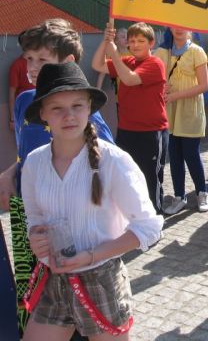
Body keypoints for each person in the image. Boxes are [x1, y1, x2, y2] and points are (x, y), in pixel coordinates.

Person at [20, 62, 163, 340]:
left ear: (89, 108)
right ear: (43, 113)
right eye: (57, 108)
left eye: (77, 105)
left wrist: (91, 256)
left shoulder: (114, 161)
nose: (69, 116)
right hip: (54, 280)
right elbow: (35, 218)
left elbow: (149, 228)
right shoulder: (34, 163)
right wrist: (36, 236)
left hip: (101, 281)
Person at [0, 18, 114, 338]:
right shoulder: (25, 102)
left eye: (43, 59)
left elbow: (107, 167)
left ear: (68, 61)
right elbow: (29, 155)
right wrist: (11, 172)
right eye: (29, 59)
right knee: (36, 301)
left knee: (80, 305)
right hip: (29, 220)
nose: (32, 67)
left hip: (72, 225)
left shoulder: (83, 114)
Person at [92, 22, 169, 214]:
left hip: (151, 132)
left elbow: (130, 79)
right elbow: (97, 65)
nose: (135, 45)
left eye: (141, 41)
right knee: (127, 175)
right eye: (132, 41)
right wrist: (105, 41)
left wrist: (114, 54)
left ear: (151, 43)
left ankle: (155, 215)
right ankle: (133, 214)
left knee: (150, 177)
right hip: (127, 130)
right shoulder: (126, 61)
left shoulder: (155, 63)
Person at [156, 28, 208, 215]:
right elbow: (154, 78)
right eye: (174, 25)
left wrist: (176, 95)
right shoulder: (161, 52)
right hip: (169, 111)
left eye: (182, 26)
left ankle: (202, 192)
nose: (178, 29)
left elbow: (204, 85)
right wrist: (161, 87)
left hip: (190, 110)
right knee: (174, 155)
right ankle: (179, 197)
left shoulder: (196, 51)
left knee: (191, 153)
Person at [8, 54, 35, 132]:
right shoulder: (17, 65)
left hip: (39, 110)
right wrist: (12, 119)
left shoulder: (41, 63)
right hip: (24, 112)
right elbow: (12, 93)